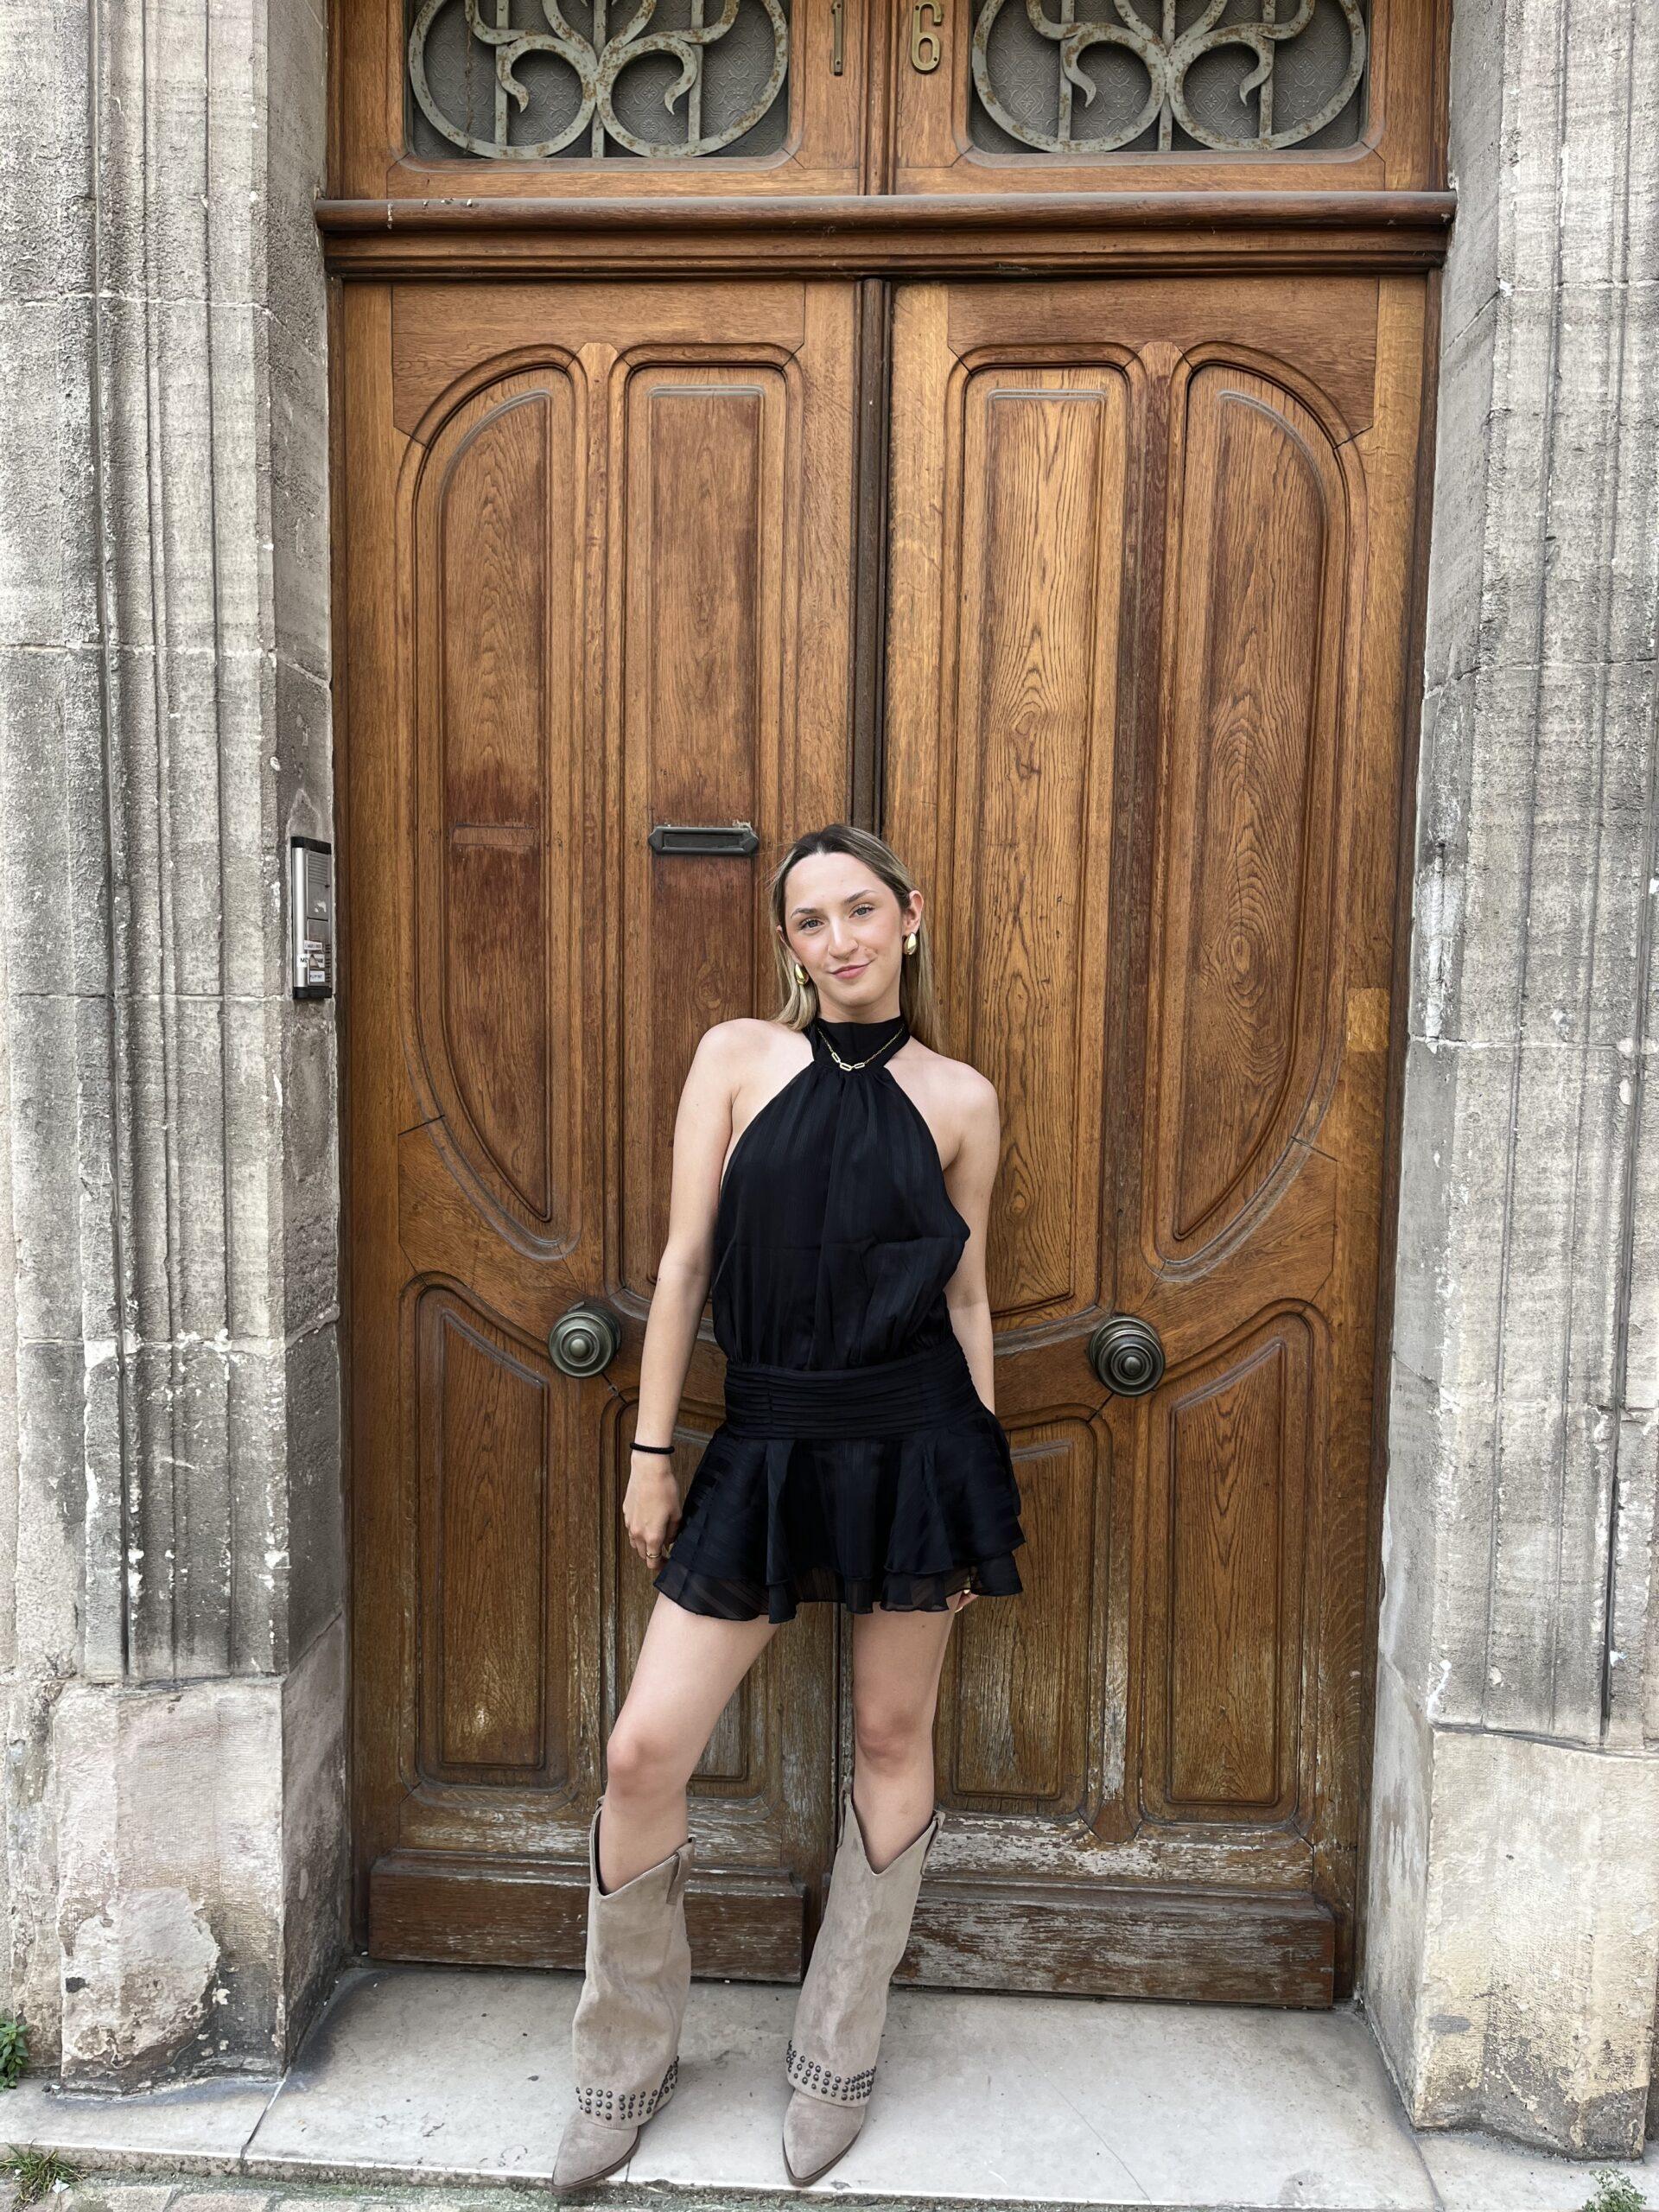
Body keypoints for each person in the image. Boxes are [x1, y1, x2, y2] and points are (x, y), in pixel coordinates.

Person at [553, 823, 1027, 2192]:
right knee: (643, 1752)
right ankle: (622, 2063)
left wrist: (978, 1483)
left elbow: (967, 1296)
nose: (839, 941)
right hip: (762, 1438)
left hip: (915, 1443)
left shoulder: (961, 1097)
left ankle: (837, 2052)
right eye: (811, 921)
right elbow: (685, 1265)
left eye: (860, 910)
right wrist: (653, 1454)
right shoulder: (736, 1058)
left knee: (890, 1735)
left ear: (910, 916)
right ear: (789, 944)